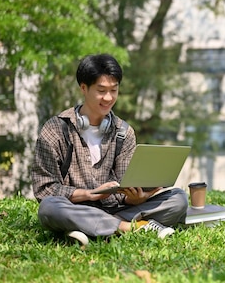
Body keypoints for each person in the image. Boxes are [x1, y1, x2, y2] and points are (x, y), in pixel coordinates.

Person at [31, 54, 188, 245]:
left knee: (178, 199)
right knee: (49, 208)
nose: (108, 98)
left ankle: (90, 230)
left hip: (116, 210)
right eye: (101, 90)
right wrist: (90, 194)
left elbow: (124, 189)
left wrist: (136, 199)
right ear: (83, 88)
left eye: (114, 90)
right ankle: (129, 227)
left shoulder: (124, 132)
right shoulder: (55, 130)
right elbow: (45, 190)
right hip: (75, 208)